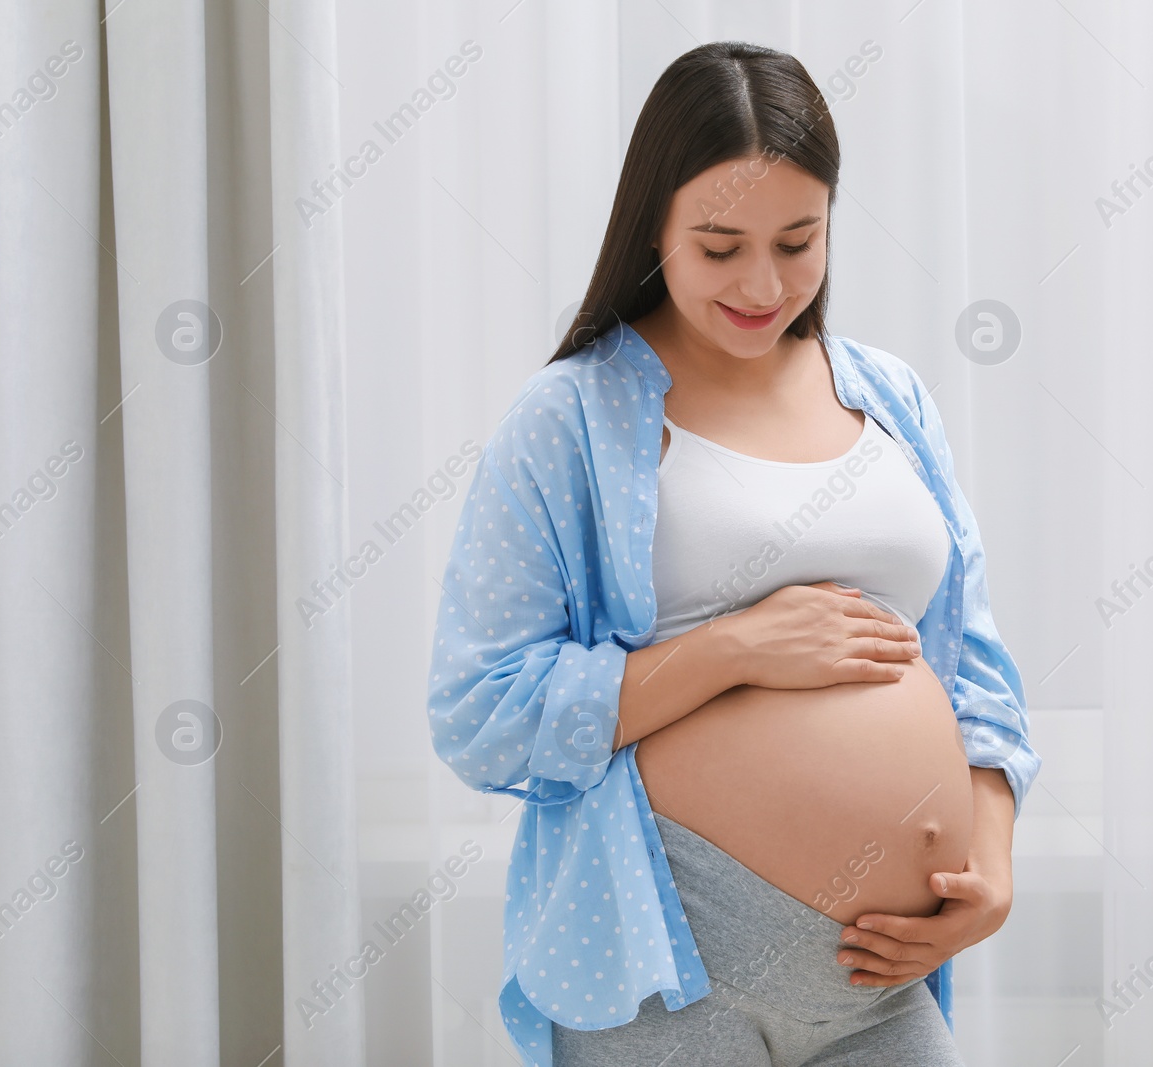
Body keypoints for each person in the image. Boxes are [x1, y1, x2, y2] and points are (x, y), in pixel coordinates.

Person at [427, 40, 1040, 1067]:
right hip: (667, 977)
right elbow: (480, 713)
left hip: (880, 983)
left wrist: (994, 863)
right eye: (719, 247)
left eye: (798, 240)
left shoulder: (889, 397)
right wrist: (736, 649)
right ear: (651, 227)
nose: (764, 282)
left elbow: (973, 669)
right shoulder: (570, 419)